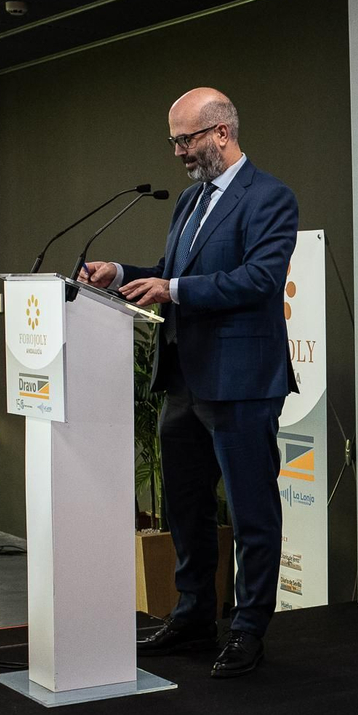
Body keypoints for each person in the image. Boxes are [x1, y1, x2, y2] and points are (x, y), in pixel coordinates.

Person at [80, 87, 298, 678]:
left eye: (186, 138)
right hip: (183, 382)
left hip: (241, 382)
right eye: (174, 140)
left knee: (252, 512)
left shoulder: (270, 197)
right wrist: (122, 273)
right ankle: (196, 614)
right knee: (186, 508)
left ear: (221, 133)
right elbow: (172, 273)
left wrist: (172, 291)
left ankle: (249, 628)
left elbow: (258, 279)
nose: (178, 151)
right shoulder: (188, 201)